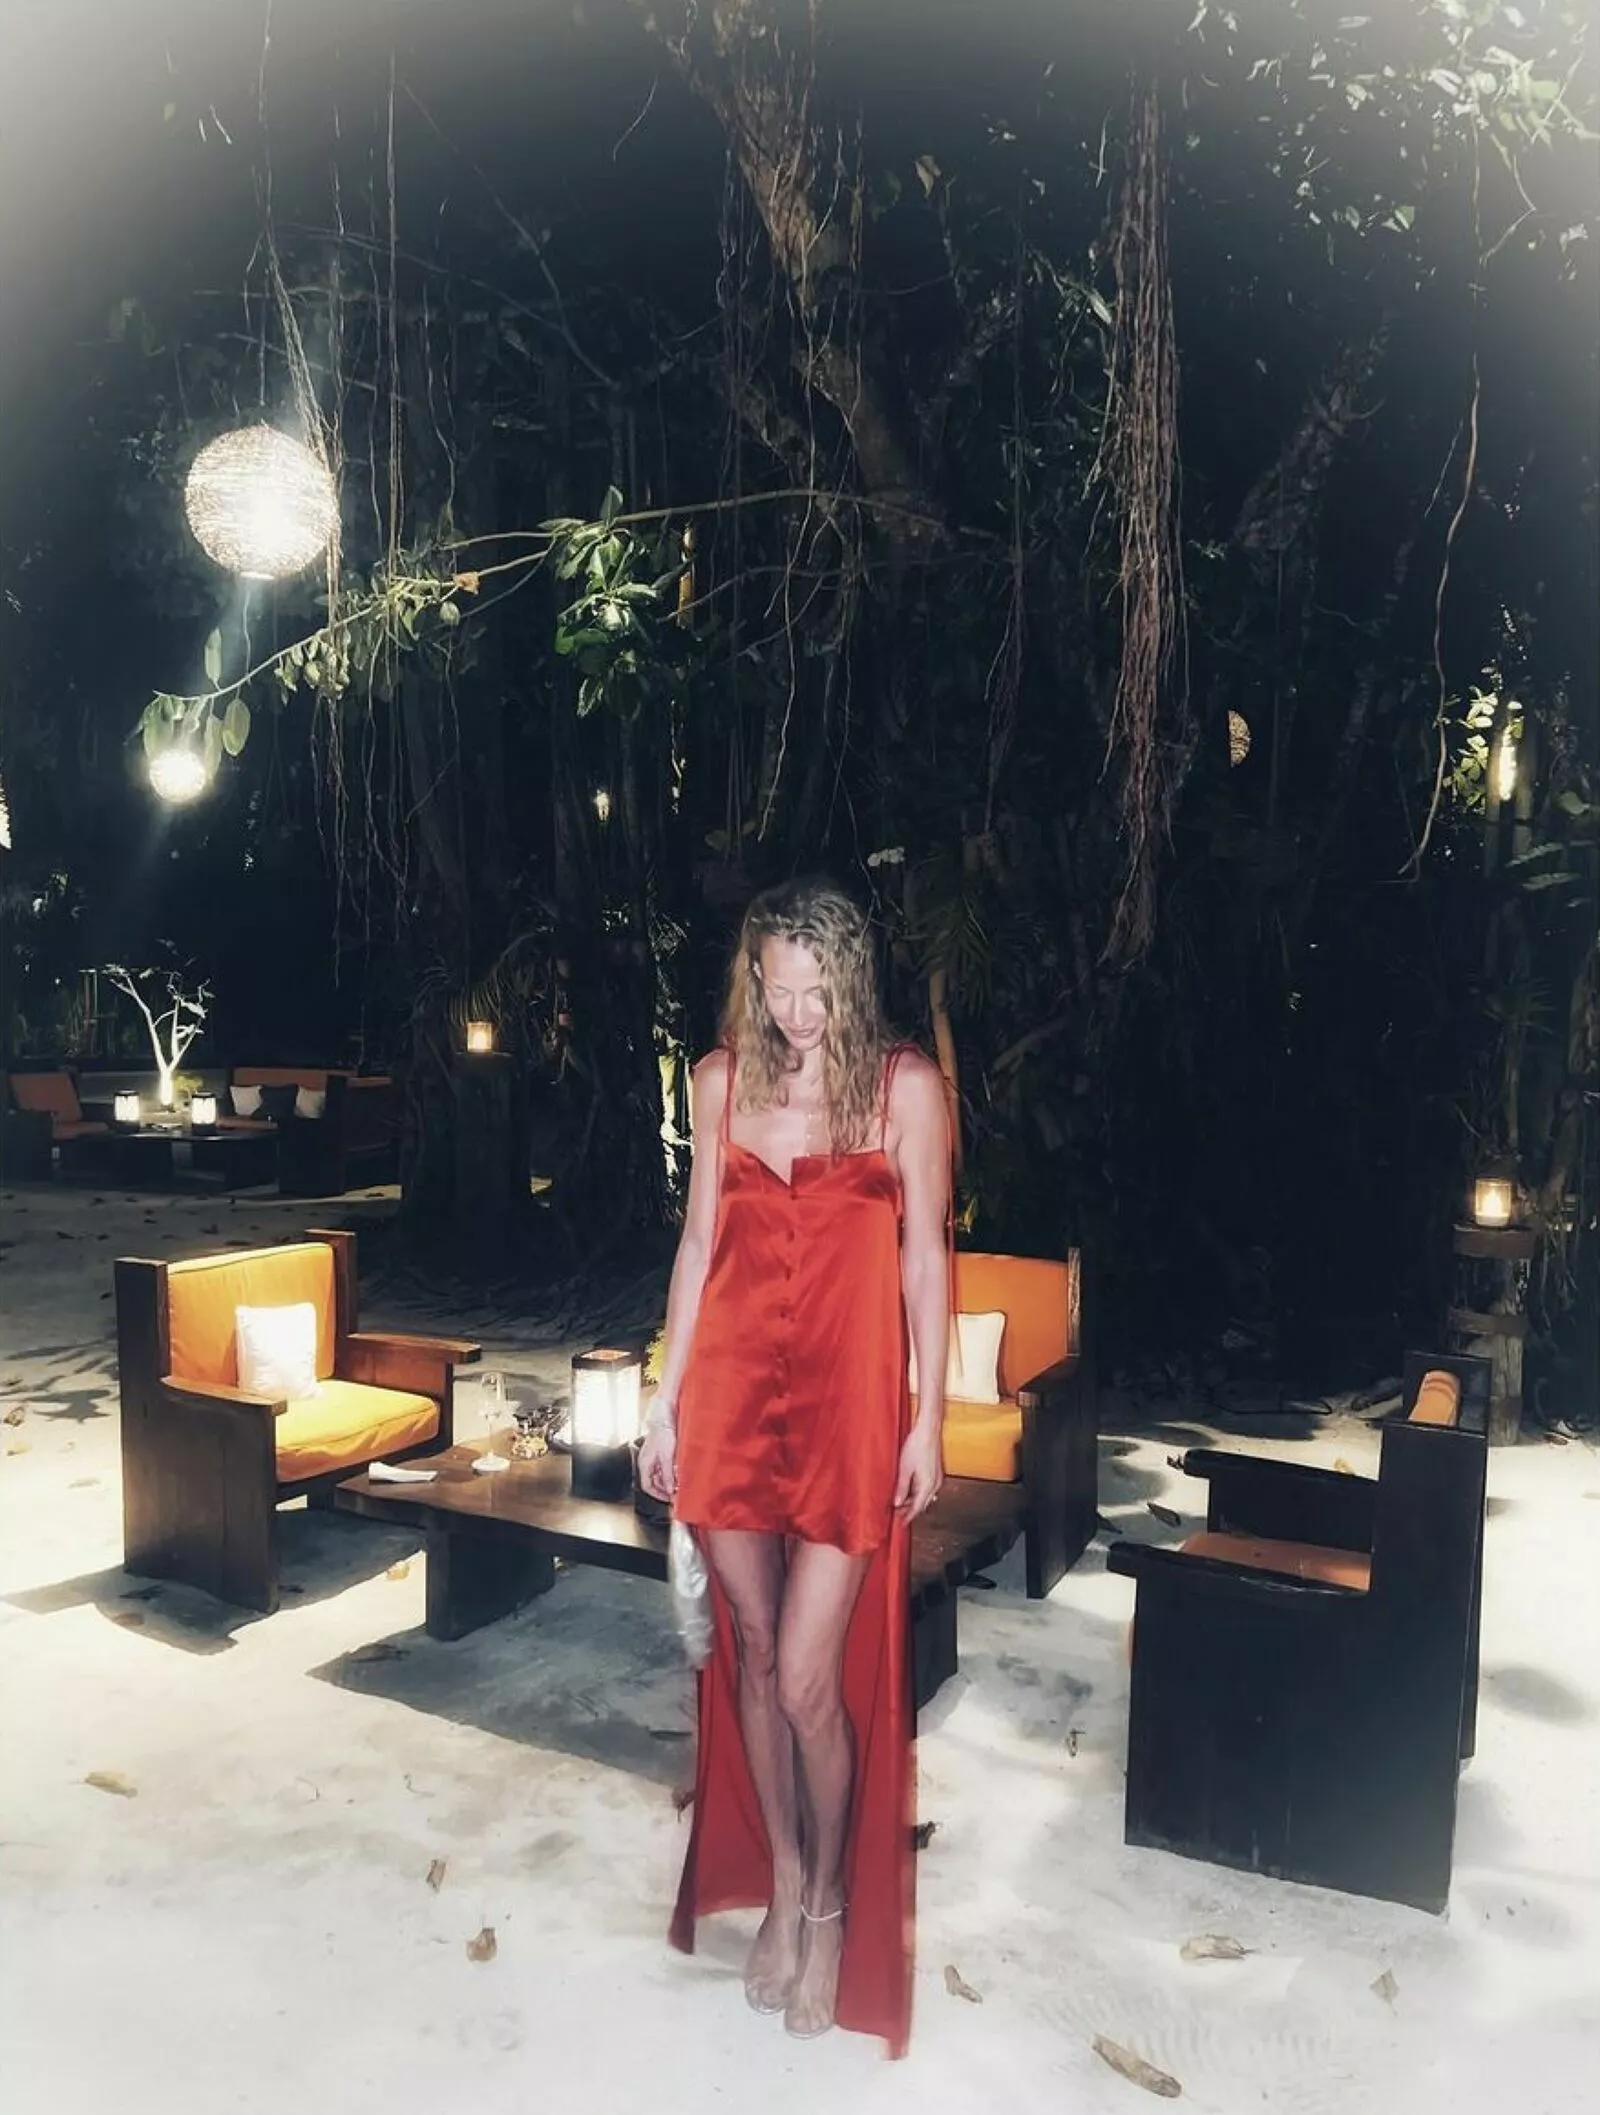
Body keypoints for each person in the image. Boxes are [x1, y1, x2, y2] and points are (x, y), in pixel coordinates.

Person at [637, 875, 951, 2054]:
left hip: (846, 1409)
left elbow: (925, 1255)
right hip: (730, 1396)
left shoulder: (904, 1088)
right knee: (756, 1654)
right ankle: (781, 1876)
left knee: (811, 1678)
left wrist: (927, 1418)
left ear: (850, 980)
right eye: (778, 990)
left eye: (818, 992)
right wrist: (664, 1403)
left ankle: (828, 1904)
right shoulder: (720, 1081)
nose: (798, 1014)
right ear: (752, 979)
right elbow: (697, 1246)